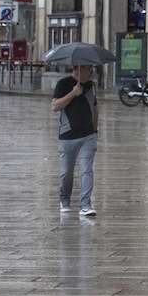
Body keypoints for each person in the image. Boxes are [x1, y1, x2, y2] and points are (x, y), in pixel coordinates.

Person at [50, 65, 99, 217]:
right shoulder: (63, 84)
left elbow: (95, 107)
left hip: (88, 136)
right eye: (88, 70)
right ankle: (64, 200)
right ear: (78, 69)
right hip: (67, 136)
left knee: (86, 170)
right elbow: (55, 107)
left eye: (91, 70)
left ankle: (85, 205)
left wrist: (95, 130)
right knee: (66, 173)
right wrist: (73, 93)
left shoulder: (91, 86)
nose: (90, 73)